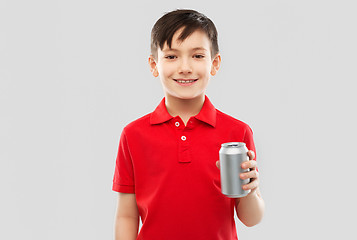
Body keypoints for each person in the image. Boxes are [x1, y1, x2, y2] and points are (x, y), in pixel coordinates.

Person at [112, 9, 265, 240]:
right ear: (154, 65)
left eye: (197, 56)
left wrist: (250, 191)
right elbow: (126, 215)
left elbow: (251, 219)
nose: (185, 67)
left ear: (215, 63)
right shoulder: (133, 134)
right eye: (172, 56)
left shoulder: (237, 132)